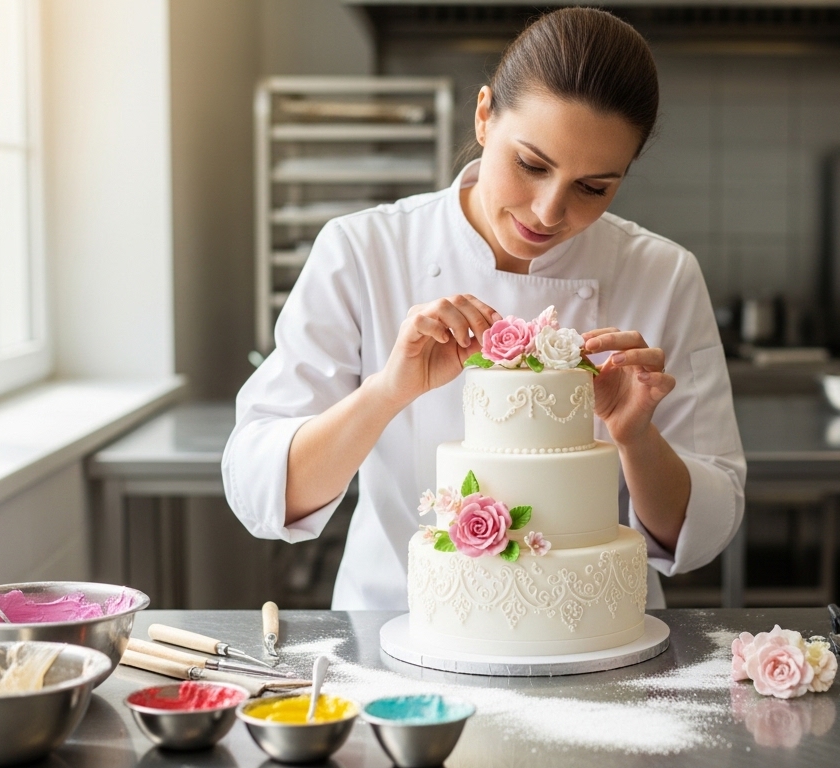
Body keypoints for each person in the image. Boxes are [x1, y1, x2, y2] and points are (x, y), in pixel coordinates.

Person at [224, 7, 745, 611]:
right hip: (396, 621)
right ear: (483, 116)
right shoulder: (365, 249)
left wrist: (638, 438)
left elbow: (706, 527)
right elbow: (262, 489)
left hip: (600, 634)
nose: (550, 212)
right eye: (531, 164)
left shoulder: (662, 273)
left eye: (593, 188)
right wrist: (386, 392)